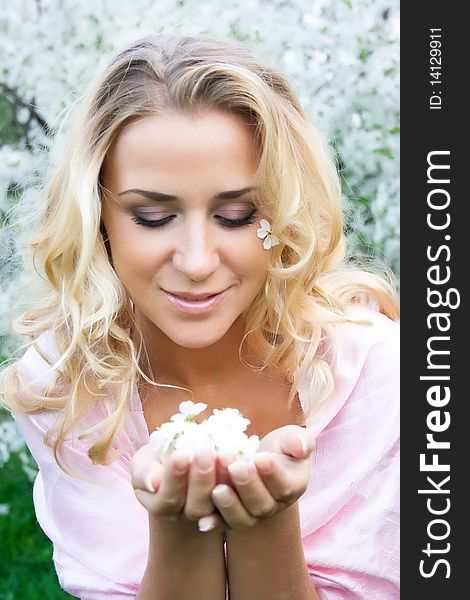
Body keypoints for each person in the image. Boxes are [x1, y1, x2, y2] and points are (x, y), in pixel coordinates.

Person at [0, 34, 399, 599]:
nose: (195, 261)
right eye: (153, 215)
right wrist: (179, 530)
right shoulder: (64, 390)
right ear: (97, 218)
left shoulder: (379, 375)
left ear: (284, 208)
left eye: (236, 215)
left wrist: (266, 525)